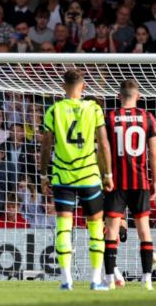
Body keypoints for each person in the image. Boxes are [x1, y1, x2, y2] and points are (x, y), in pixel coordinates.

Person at [39, 69, 113, 291]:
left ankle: (66, 280)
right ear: (83, 87)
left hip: (62, 177)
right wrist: (107, 174)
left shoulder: (54, 110)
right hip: (89, 175)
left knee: (63, 228)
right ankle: (95, 279)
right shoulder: (94, 109)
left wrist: (44, 175)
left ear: (63, 87)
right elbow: (103, 143)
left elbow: (45, 146)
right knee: (95, 227)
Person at [103, 79, 156, 290]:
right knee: (144, 231)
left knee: (111, 231)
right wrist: (154, 180)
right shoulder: (148, 117)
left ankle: (109, 278)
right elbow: (154, 152)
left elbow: (104, 149)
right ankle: (147, 279)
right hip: (140, 182)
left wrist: (105, 174)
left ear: (119, 96)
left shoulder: (109, 117)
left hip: (116, 182)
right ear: (139, 96)